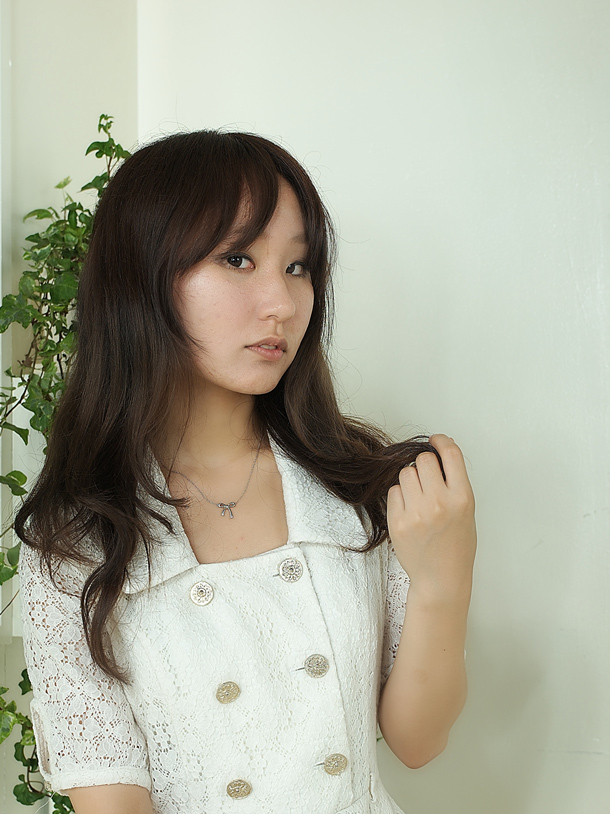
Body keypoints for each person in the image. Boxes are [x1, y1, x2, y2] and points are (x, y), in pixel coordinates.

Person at [16, 130, 477, 814]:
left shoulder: (356, 485)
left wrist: (443, 579)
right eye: (237, 259)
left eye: (298, 266)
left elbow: (418, 741)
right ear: (141, 276)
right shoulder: (77, 534)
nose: (283, 304)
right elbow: (113, 800)